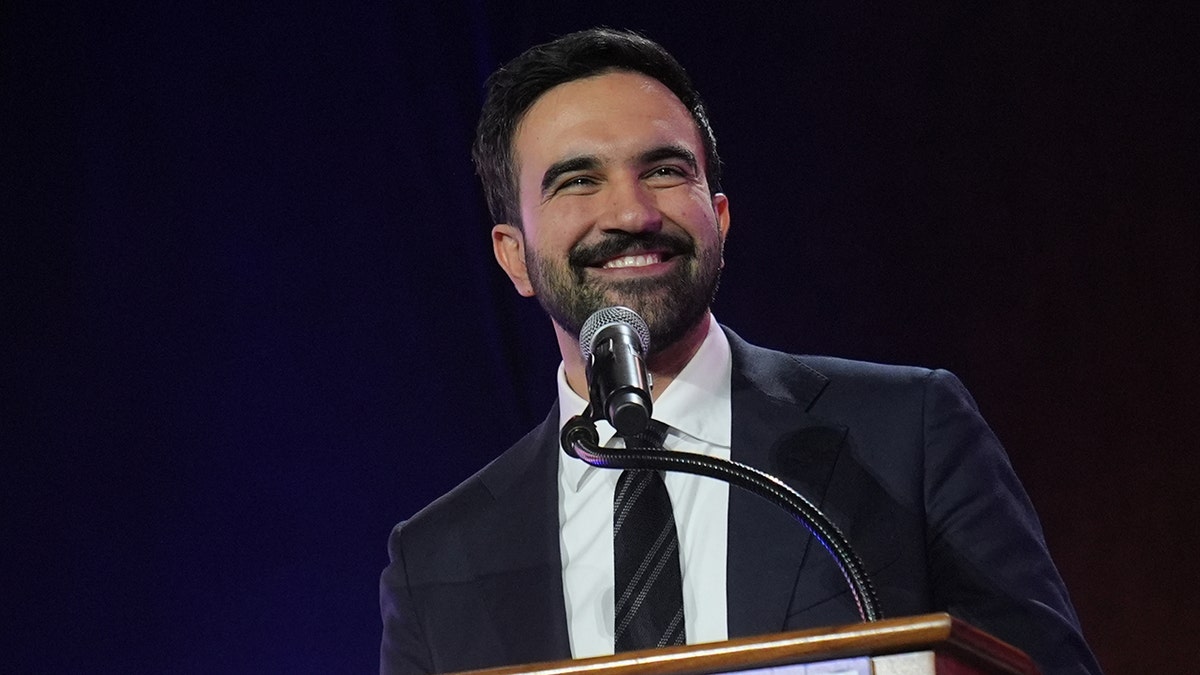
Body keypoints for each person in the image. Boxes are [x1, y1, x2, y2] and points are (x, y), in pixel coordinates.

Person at [380, 28, 1101, 675]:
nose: (632, 212)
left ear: (718, 217)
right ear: (514, 256)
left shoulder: (905, 431)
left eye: (664, 170)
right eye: (578, 180)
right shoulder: (437, 557)